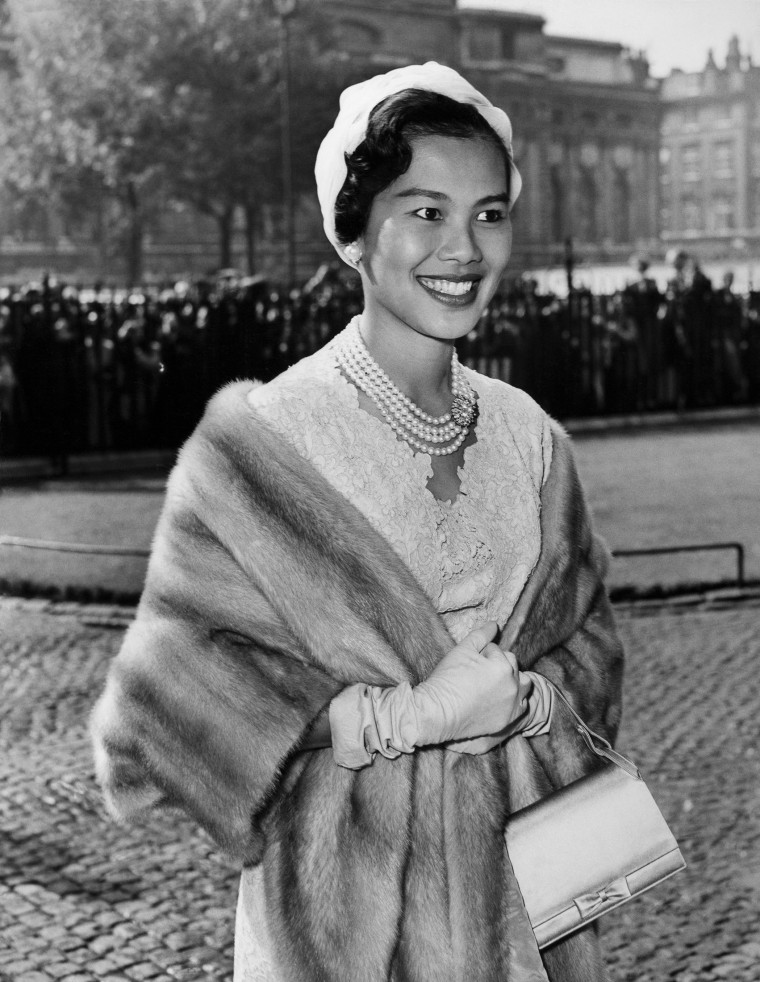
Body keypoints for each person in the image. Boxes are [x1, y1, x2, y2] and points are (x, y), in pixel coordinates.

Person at [91, 63, 623, 982]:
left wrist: (538, 697)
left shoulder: (531, 435)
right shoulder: (262, 440)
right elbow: (163, 703)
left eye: (489, 213)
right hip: (349, 934)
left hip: (527, 918)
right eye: (424, 211)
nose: (463, 247)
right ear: (354, 233)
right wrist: (395, 718)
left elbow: (594, 649)